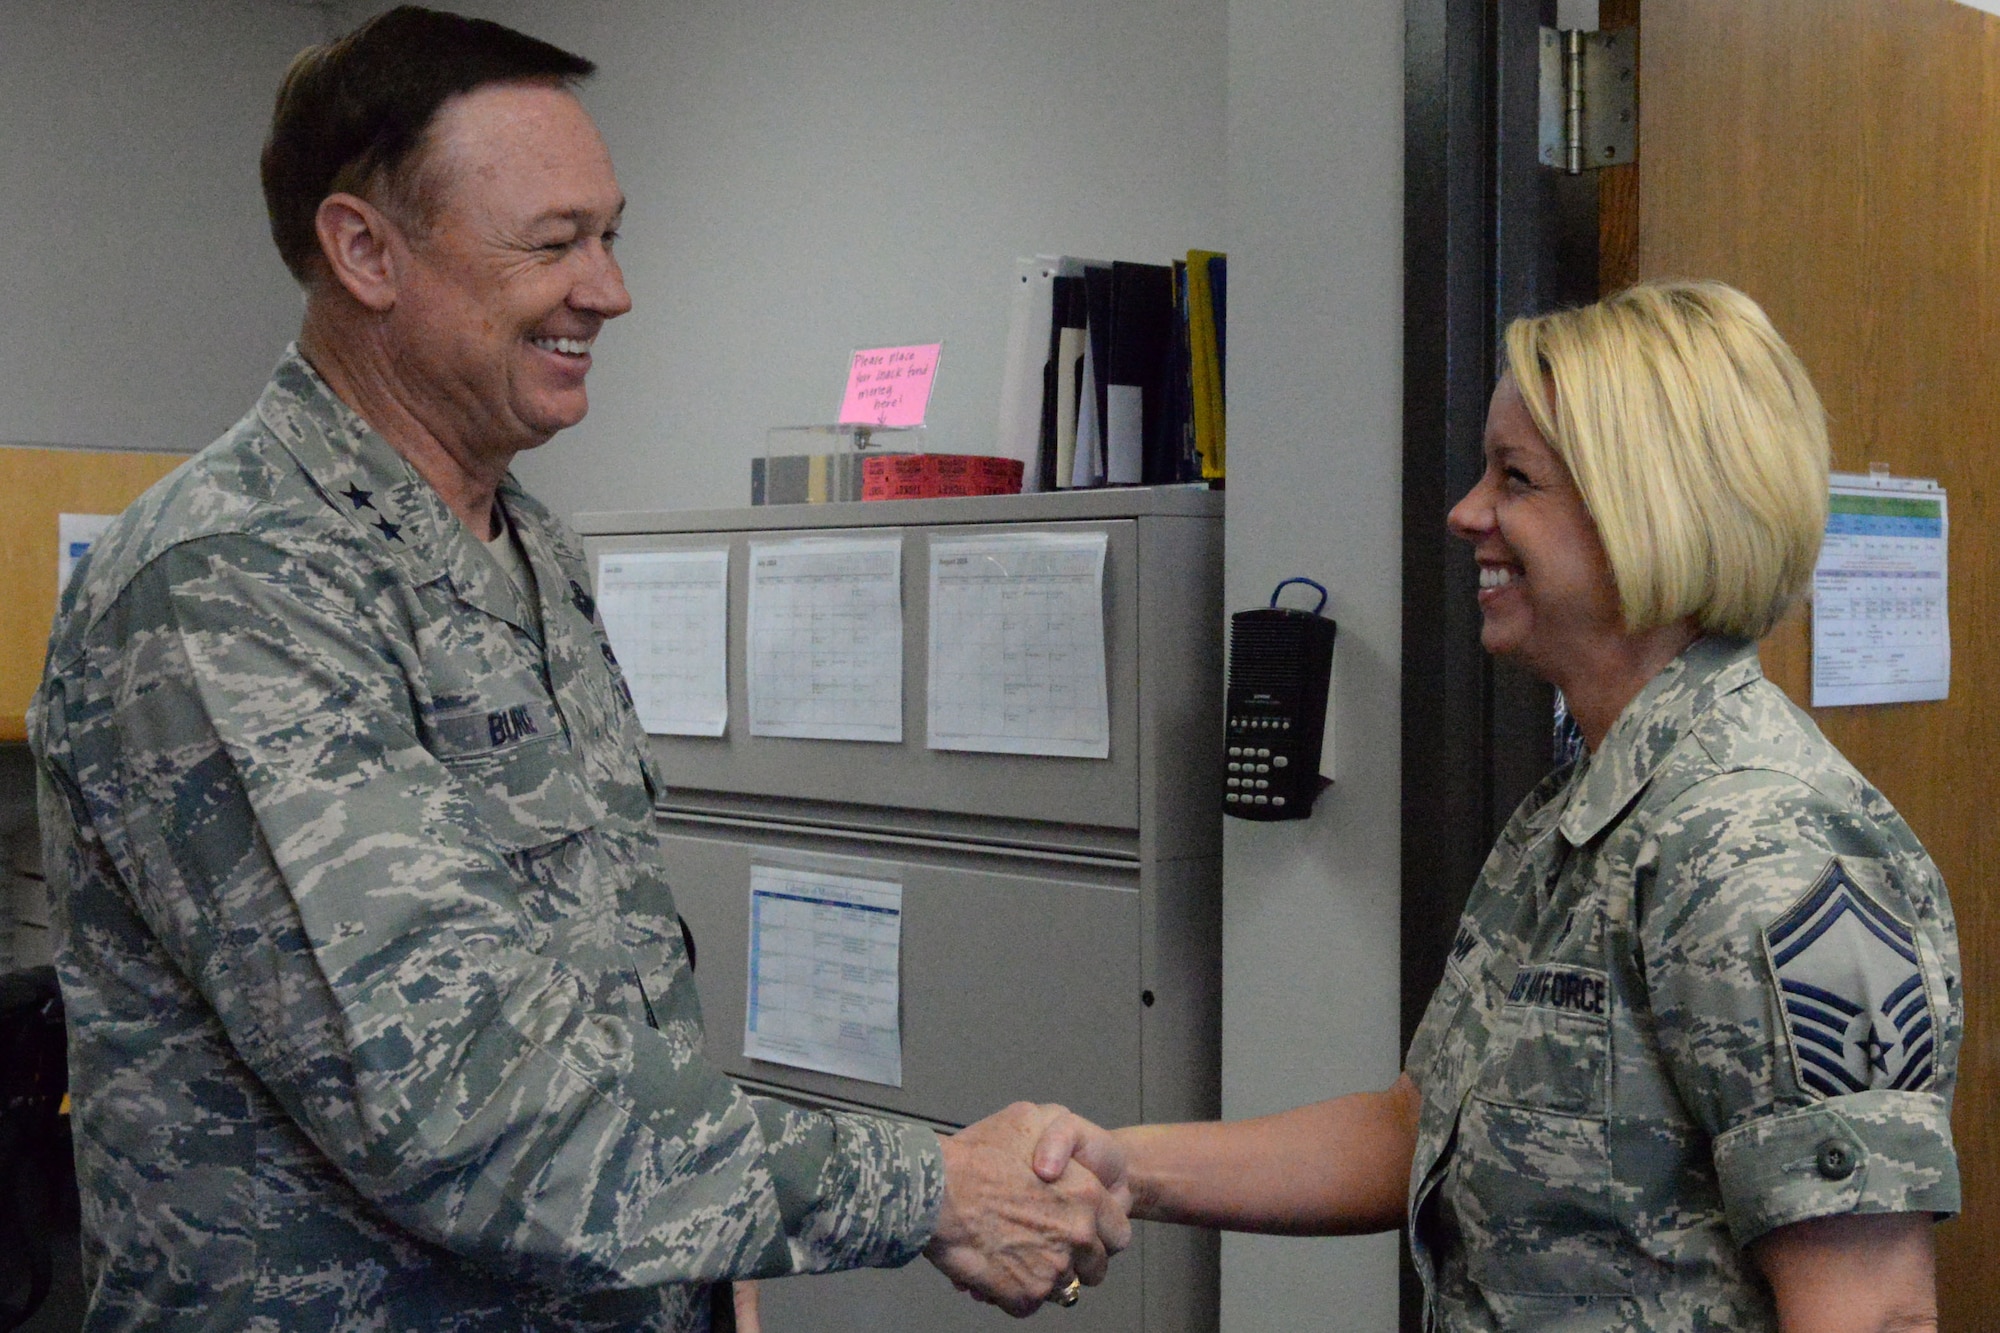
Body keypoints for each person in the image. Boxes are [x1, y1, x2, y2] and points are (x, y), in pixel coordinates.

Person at [28, 8, 1124, 1330]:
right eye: (556, 243)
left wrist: (715, 1275)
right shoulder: (232, 584)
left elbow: (610, 999)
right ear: (364, 250)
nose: (610, 289)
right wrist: (929, 1186)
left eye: (609, 235)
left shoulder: (526, 547)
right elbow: (467, 1103)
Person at [1033, 280, 1961, 1331]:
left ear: (1644, 505)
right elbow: (1416, 1129)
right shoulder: (1579, 810)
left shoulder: (1764, 845)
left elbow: (1871, 1306)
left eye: (1514, 479)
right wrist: (1124, 1165)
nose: (1465, 512)